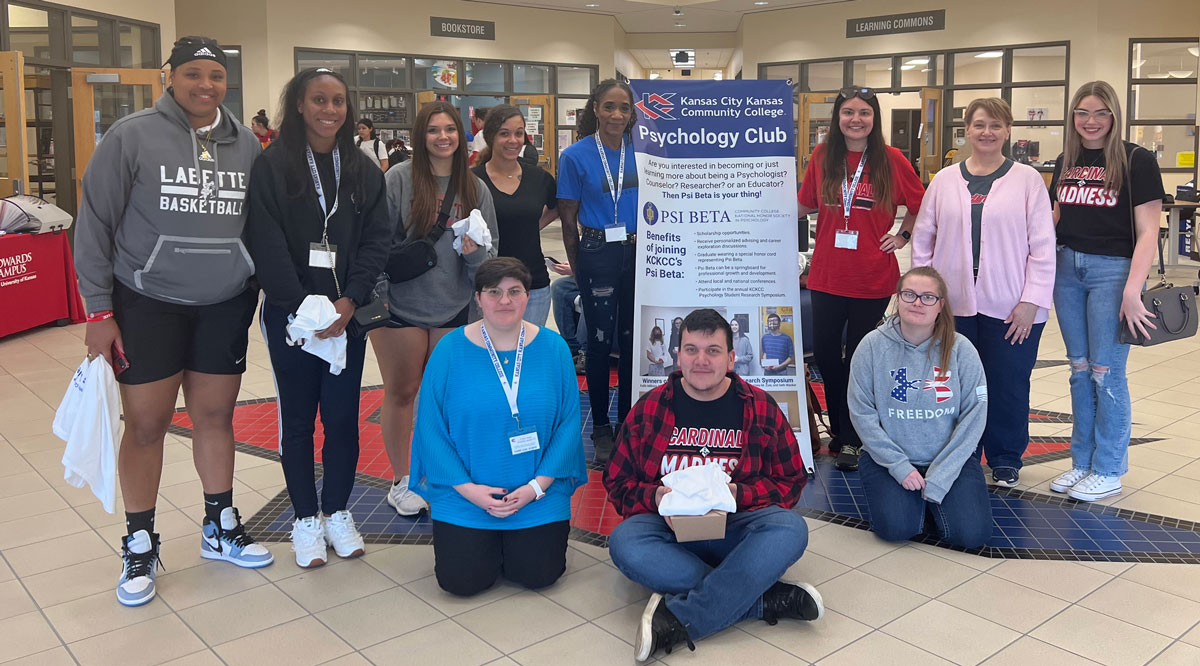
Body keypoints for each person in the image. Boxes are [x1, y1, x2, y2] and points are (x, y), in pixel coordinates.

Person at [74, 35, 272, 607]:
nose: (204, 85)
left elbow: (258, 224)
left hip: (224, 302)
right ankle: (139, 540)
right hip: (146, 303)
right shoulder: (131, 135)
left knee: (215, 417)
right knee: (145, 425)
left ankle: (219, 526)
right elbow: (94, 228)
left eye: (214, 75)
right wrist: (99, 310)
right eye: (192, 74)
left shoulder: (247, 145)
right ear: (170, 77)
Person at [604, 308, 823, 663]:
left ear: (732, 358)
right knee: (625, 542)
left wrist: (739, 495)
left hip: (735, 527)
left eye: (713, 351)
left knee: (790, 529)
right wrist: (656, 497)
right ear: (678, 355)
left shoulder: (761, 408)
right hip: (668, 529)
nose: (701, 360)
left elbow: (791, 480)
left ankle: (680, 617)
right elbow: (616, 481)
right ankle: (758, 598)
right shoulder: (650, 408)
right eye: (691, 349)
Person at [245, 68, 393, 567]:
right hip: (292, 317)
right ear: (300, 106)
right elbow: (264, 242)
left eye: (338, 101)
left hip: (344, 318)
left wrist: (349, 301)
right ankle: (305, 517)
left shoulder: (363, 171)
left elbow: (377, 242)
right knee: (298, 422)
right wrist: (301, 308)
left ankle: (337, 511)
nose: (329, 110)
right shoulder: (273, 167)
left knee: (343, 420)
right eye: (319, 100)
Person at [410, 257, 587, 596]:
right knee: (461, 582)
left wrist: (536, 488)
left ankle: (515, 539)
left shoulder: (554, 349)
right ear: (478, 298)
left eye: (514, 291)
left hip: (538, 493)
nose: (504, 301)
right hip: (466, 494)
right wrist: (469, 490)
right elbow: (430, 429)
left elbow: (568, 426)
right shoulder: (449, 350)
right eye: (494, 292)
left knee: (539, 574)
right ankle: (488, 537)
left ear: (528, 296)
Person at [911, 97, 1056, 488]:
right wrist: (925, 297)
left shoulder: (1027, 181)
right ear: (967, 130)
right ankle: (963, 453)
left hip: (1012, 307)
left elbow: (1043, 247)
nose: (987, 132)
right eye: (978, 125)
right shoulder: (944, 180)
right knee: (956, 384)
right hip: (954, 306)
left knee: (1007, 382)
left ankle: (1006, 456)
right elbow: (923, 240)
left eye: (995, 125)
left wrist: (1031, 302)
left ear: (1008, 131)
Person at [373, 100, 498, 517]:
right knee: (402, 391)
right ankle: (402, 479)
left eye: (449, 129)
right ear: (419, 135)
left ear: (460, 135)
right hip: (401, 306)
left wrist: (474, 253)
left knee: (446, 398)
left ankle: (445, 474)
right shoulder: (399, 179)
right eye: (433, 129)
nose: (442, 137)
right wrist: (380, 293)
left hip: (455, 305)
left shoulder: (475, 187)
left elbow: (487, 260)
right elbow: (376, 243)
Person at [797, 86, 926, 472]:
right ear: (838, 118)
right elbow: (804, 203)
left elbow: (922, 205)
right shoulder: (824, 156)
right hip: (826, 275)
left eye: (864, 113)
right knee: (824, 356)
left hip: (872, 278)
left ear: (875, 119)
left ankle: (853, 438)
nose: (856, 119)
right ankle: (842, 428)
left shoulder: (891, 159)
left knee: (858, 359)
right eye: (848, 112)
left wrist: (902, 235)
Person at [1047, 81, 1165, 502]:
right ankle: (1082, 462)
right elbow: (1054, 218)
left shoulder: (1137, 159)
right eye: (1082, 112)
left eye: (1100, 113)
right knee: (1079, 369)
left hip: (1113, 274)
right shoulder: (1067, 159)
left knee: (1106, 372)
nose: (1090, 121)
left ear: (1114, 116)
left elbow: (1150, 231)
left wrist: (1134, 290)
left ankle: (1109, 468)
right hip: (1067, 269)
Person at [848, 267, 992, 548]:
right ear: (897, 299)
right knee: (897, 528)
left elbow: (976, 414)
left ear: (940, 306)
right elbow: (861, 412)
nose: (917, 302)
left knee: (971, 535)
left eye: (928, 297)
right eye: (909, 294)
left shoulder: (962, 349)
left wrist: (943, 473)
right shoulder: (872, 346)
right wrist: (899, 467)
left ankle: (928, 499)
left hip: (949, 457)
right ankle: (911, 502)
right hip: (888, 459)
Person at [558, 79, 639, 463]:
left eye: (624, 108)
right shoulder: (575, 156)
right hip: (596, 249)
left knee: (631, 340)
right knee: (600, 343)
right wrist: (578, 267)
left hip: (639, 251)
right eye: (609, 107)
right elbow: (568, 220)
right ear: (595, 108)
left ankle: (627, 421)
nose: (616, 115)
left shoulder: (643, 152)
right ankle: (602, 427)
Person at [472, 105, 559, 326]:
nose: (513, 140)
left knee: (527, 354)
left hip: (533, 284)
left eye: (519, 133)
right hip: (487, 284)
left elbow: (558, 206)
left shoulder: (538, 178)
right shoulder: (472, 180)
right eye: (504, 133)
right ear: (490, 137)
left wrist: (533, 226)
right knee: (490, 355)